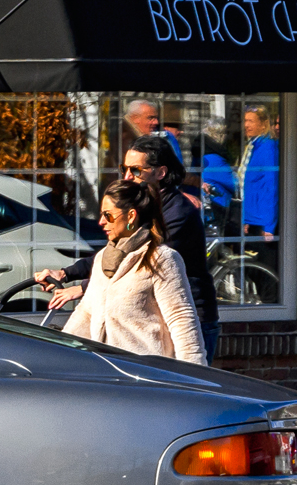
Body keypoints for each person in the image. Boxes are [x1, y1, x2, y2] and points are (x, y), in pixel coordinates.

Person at [45, 133, 219, 359]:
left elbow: (137, 259)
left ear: (161, 172)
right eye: (124, 169)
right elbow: (116, 254)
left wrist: (84, 287)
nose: (127, 176)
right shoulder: (144, 205)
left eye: (136, 170)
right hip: (153, 317)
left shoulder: (178, 213)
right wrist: (66, 273)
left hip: (191, 318)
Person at [65, 180, 207, 363]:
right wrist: (55, 357)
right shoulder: (102, 259)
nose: (101, 222)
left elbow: (181, 319)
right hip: (107, 373)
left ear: (131, 216)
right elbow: (85, 314)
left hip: (147, 374)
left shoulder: (161, 259)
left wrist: (194, 376)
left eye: (108, 215)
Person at [238, 105, 281, 239]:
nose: (246, 125)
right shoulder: (252, 146)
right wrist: (245, 218)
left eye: (251, 121)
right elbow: (247, 185)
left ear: (263, 125)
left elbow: (272, 187)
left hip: (263, 222)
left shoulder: (268, 148)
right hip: (252, 220)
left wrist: (269, 226)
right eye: (245, 121)